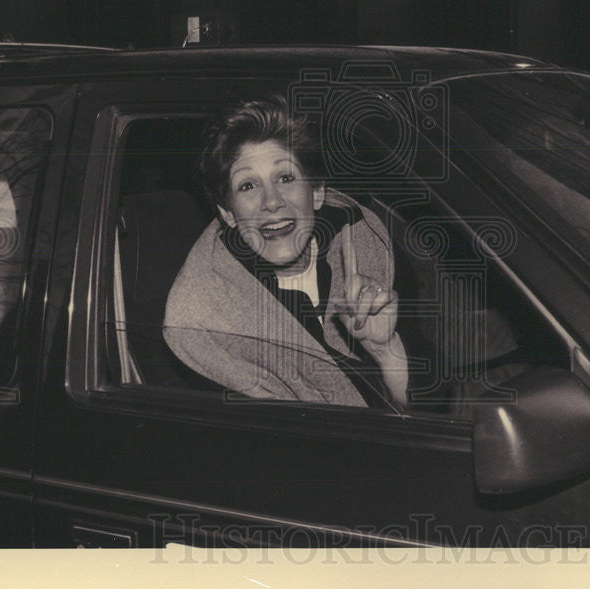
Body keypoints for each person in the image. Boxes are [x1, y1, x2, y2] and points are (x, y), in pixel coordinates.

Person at [163, 96, 408, 409]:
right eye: (248, 186)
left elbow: (430, 413)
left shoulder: (366, 241)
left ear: (317, 192)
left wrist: (386, 350)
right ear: (227, 214)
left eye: (286, 178)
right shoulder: (205, 322)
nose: (272, 201)